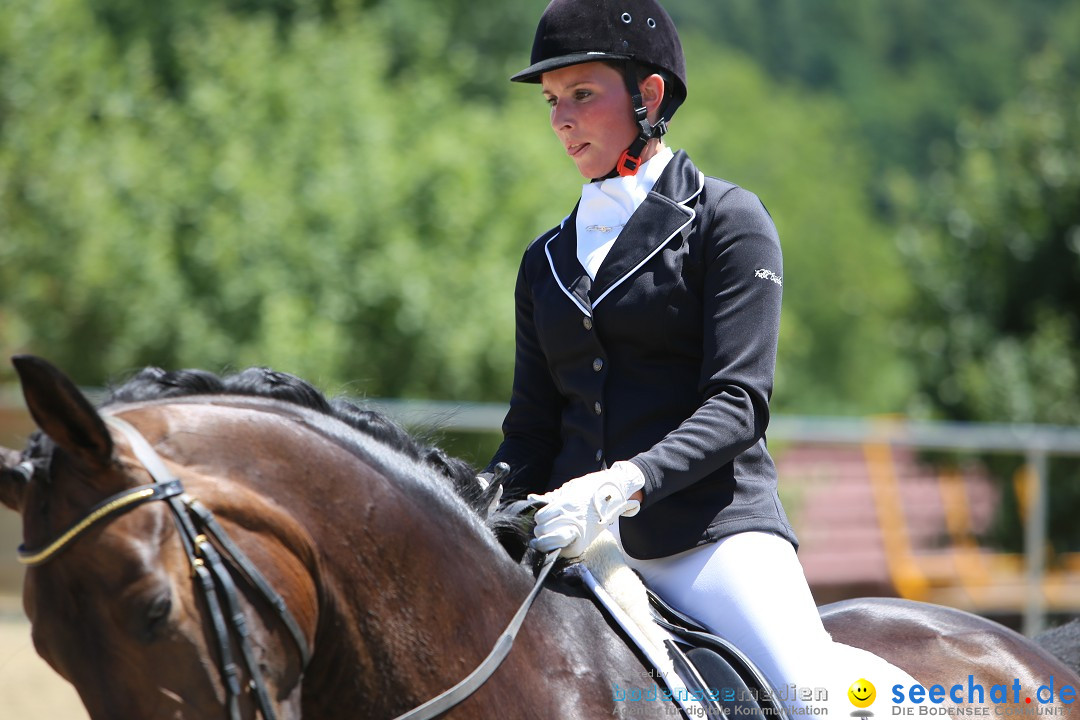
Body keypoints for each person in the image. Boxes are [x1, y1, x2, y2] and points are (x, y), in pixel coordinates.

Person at [484, 0, 919, 713]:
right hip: (575, 547)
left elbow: (738, 403)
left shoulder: (728, 221)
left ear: (648, 96)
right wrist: (478, 503)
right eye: (553, 101)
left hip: (708, 538)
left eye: (583, 95)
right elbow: (530, 429)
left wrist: (623, 482)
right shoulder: (546, 261)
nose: (561, 119)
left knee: (817, 703)